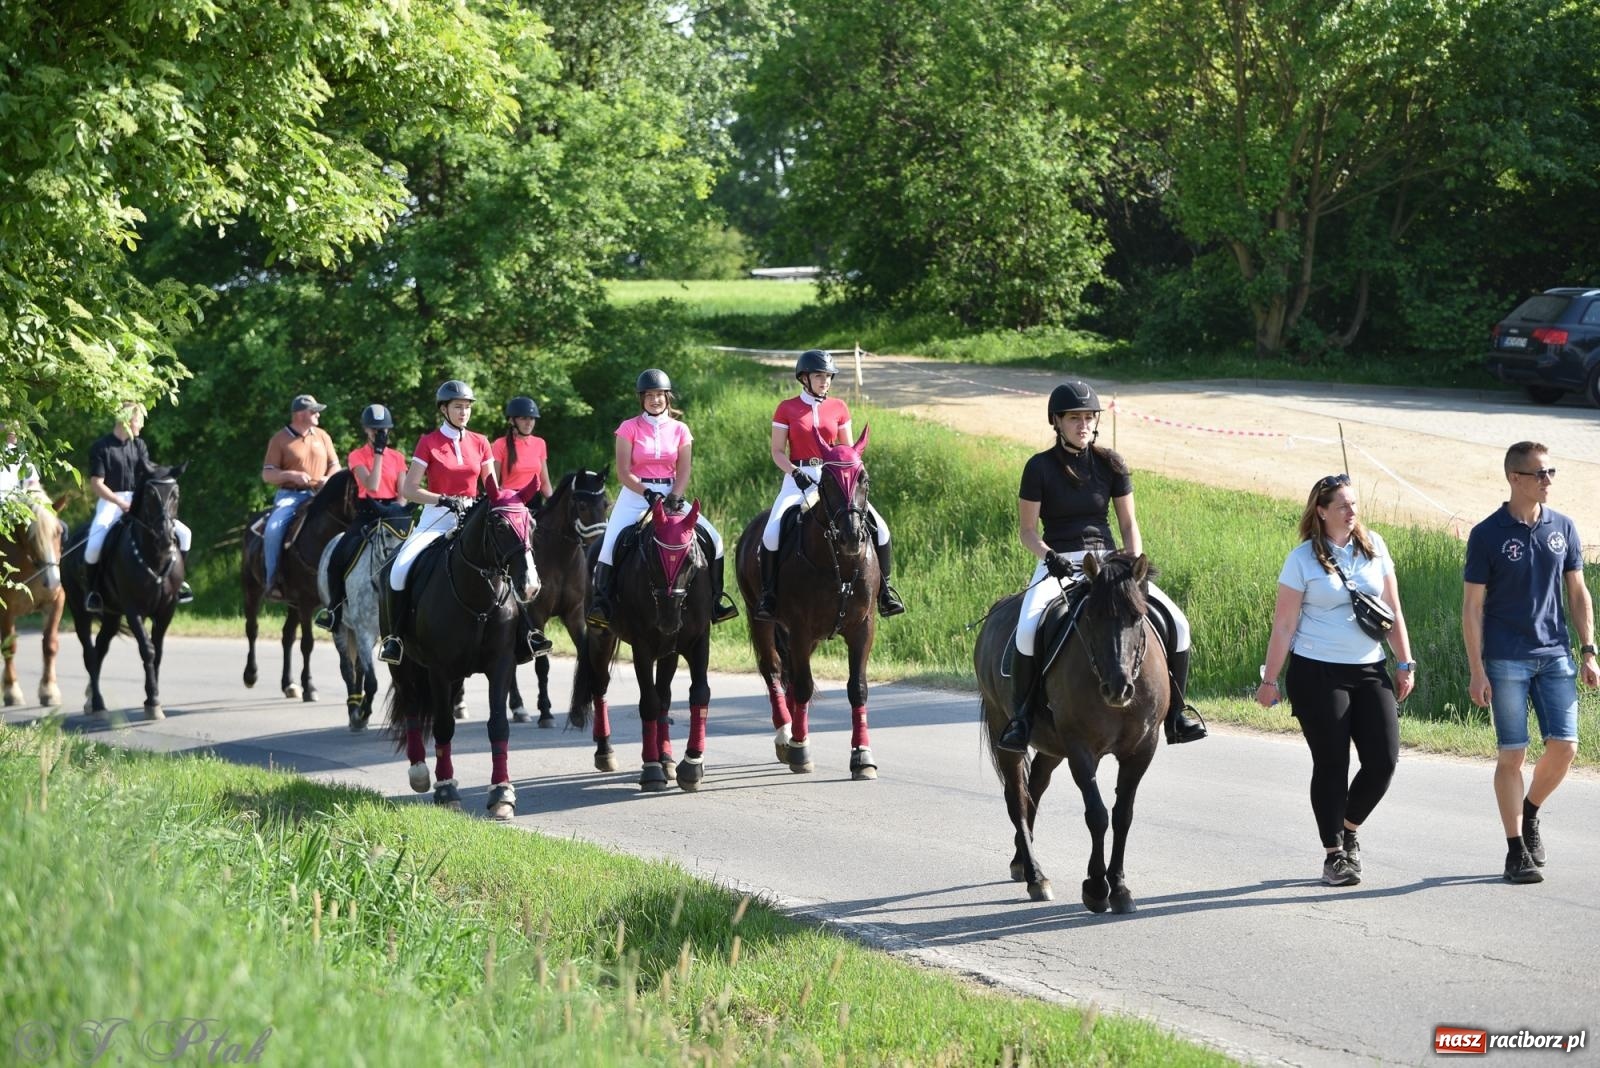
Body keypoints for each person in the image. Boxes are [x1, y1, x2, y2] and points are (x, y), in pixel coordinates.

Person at [996, 380, 1206, 753]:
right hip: (1060, 563)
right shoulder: (1038, 467)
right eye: (1074, 418)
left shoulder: (1112, 463)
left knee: (1178, 623)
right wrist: (1049, 556)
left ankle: (1176, 714)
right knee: (1027, 629)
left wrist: (1133, 564)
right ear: (1056, 421)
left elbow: (1128, 523)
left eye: (1089, 417)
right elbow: (1027, 531)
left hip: (1111, 564)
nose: (1083, 425)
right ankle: (1023, 719)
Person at [1255, 473, 1414, 887]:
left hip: (1370, 667)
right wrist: (1270, 679)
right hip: (1317, 672)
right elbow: (1284, 625)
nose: (1351, 511)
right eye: (1343, 505)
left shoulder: (1374, 546)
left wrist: (1405, 662)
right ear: (1322, 512)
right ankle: (1334, 855)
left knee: (1383, 761)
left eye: (1354, 504)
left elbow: (1393, 609)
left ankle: (1348, 827)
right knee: (1332, 763)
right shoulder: (1302, 559)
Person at [1462, 441, 1598, 885]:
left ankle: (1531, 810)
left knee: (1566, 746)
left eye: (1551, 472)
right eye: (1540, 473)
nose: (1548, 480)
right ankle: (1515, 850)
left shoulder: (1563, 527)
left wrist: (1589, 649)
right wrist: (1477, 669)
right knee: (1513, 753)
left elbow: (1577, 592)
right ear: (1515, 478)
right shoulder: (1487, 534)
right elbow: (1472, 608)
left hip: (1555, 654)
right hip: (1506, 658)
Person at [378, 380, 551, 664]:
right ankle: (395, 638)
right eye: (458, 407)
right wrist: (442, 499)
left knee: (512, 564)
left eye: (467, 407)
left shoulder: (480, 442)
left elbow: (492, 487)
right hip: (436, 519)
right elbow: (409, 489)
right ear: (444, 409)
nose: (463, 412)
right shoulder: (429, 442)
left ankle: (528, 633)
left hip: (474, 520)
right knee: (399, 569)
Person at [754, 348, 905, 621]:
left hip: (834, 479)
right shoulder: (786, 408)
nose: (824, 381)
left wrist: (852, 476)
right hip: (798, 478)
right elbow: (777, 451)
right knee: (772, 531)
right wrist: (794, 472)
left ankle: (886, 592)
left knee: (881, 528)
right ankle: (768, 595)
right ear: (804, 378)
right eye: (818, 376)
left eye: (827, 376)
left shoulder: (839, 408)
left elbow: (848, 451)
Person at [587, 368, 738, 628]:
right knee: (610, 542)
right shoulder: (628, 428)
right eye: (649, 395)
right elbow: (623, 472)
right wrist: (646, 492)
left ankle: (715, 601)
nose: (654, 400)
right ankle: (602, 603)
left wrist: (675, 495)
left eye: (659, 394)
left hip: (670, 494)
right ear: (641, 398)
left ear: (667, 396)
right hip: (636, 494)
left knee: (715, 538)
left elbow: (684, 469)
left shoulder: (681, 429)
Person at [82, 403, 194, 612]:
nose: (141, 426)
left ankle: (178, 582)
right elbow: (97, 484)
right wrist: (120, 503)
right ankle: (94, 592)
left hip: (138, 500)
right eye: (138, 421)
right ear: (126, 420)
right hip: (111, 501)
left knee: (185, 534)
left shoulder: (139, 445)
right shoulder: (101, 447)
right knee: (94, 545)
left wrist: (169, 474)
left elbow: (149, 472)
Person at [314, 403, 409, 632]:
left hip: (393, 514)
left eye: (383, 430)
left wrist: (397, 511)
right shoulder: (356, 456)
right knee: (338, 556)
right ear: (366, 430)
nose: (379, 433)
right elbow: (372, 485)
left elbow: (403, 494)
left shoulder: (398, 457)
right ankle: (334, 611)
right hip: (368, 513)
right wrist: (378, 454)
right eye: (375, 430)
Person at [260, 393, 340, 595]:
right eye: (314, 412)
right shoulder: (279, 439)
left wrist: (328, 478)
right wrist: (291, 475)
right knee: (274, 528)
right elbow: (267, 474)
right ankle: (273, 580)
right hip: (291, 496)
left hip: (321, 495)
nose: (318, 415)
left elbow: (335, 465)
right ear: (300, 414)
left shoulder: (322, 436)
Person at [490, 396, 553, 506]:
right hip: (510, 501)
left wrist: (553, 502)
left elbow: (545, 483)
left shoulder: (540, 443)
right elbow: (494, 483)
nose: (529, 423)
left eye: (532, 418)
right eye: (524, 418)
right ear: (511, 420)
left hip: (535, 501)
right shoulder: (500, 444)